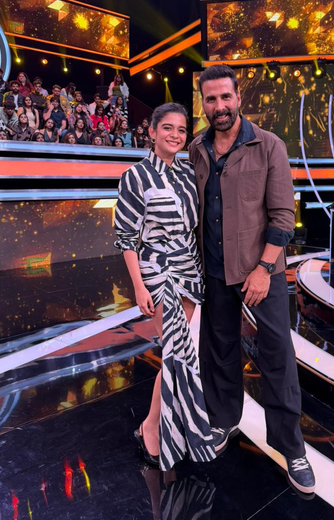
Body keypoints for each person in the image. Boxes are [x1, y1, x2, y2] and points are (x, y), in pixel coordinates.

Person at [189, 64, 315, 494]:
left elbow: (283, 217)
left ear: (238, 97)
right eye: (211, 99)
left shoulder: (269, 145)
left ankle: (292, 448)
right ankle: (223, 421)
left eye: (225, 97)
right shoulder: (197, 148)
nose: (219, 106)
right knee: (219, 352)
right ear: (203, 103)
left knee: (277, 356)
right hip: (214, 271)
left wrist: (263, 269)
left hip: (262, 271)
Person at [114, 102, 214, 471]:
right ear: (152, 131)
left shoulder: (188, 173)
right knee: (175, 351)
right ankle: (151, 427)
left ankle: (165, 424)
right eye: (167, 128)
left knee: (178, 352)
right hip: (157, 271)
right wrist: (139, 287)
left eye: (181, 130)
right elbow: (126, 238)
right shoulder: (135, 176)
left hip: (189, 270)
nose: (175, 135)